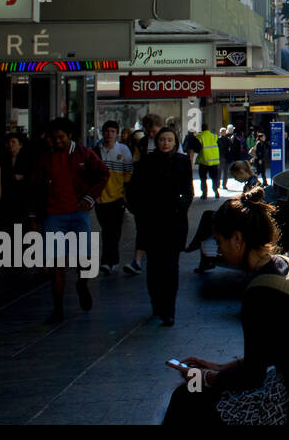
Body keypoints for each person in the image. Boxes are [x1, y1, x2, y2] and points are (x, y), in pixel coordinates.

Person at [162, 193, 289, 425]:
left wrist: (207, 377)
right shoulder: (282, 265)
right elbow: (271, 353)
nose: (219, 250)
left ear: (237, 239)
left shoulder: (259, 292)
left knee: (185, 398)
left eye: (219, 241)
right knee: (191, 393)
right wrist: (220, 367)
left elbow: (252, 377)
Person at [34, 118, 109, 324]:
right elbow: (37, 185)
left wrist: (90, 196)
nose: (57, 142)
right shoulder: (45, 158)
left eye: (61, 138)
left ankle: (82, 284)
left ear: (70, 137)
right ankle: (58, 308)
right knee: (56, 263)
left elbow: (103, 173)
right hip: (54, 215)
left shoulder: (84, 153)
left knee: (83, 258)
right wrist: (34, 213)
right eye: (53, 138)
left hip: (78, 213)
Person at [127, 127, 194, 326]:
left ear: (175, 142)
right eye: (162, 139)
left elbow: (188, 190)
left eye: (169, 140)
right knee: (155, 265)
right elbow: (134, 189)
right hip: (151, 221)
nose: (165, 143)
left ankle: (169, 309)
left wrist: (181, 208)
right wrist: (139, 211)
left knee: (171, 266)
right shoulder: (146, 162)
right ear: (156, 141)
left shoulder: (182, 161)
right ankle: (156, 304)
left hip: (174, 221)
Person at [94, 121, 134, 276]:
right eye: (107, 131)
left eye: (112, 131)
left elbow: (128, 173)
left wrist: (125, 194)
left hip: (117, 198)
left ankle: (109, 261)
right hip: (101, 198)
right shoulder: (96, 151)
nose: (109, 134)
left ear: (116, 133)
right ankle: (110, 261)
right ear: (102, 133)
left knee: (114, 230)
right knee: (107, 230)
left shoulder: (123, 150)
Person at [0, 132, 32, 233]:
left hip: (22, 198)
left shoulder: (27, 158)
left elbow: (30, 176)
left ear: (20, 145)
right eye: (8, 142)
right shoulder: (3, 159)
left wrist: (22, 177)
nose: (10, 144)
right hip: (7, 197)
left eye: (13, 142)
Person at [193, 123, 221, 200]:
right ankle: (216, 191)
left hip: (204, 161)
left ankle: (204, 193)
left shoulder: (200, 137)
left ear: (201, 128)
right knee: (214, 177)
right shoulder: (214, 136)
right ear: (208, 128)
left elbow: (197, 149)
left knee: (203, 178)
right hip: (214, 161)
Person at [217, 127, 232, 191]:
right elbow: (229, 148)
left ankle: (218, 184)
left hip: (220, 156)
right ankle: (224, 185)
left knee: (219, 172)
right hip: (226, 157)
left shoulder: (218, 139)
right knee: (225, 172)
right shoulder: (228, 139)